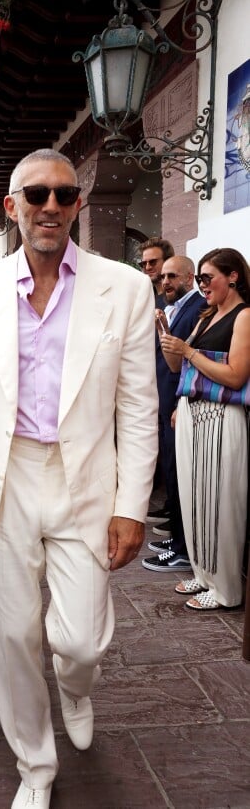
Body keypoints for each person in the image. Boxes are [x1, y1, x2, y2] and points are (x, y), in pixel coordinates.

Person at [0, 150, 158, 809]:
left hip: (85, 478)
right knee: (13, 634)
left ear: (78, 205)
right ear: (13, 206)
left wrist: (133, 507)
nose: (51, 207)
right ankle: (36, 765)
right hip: (7, 476)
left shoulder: (125, 287)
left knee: (77, 641)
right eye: (37, 195)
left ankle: (77, 687)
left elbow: (139, 407)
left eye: (64, 195)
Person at [159, 247, 250, 611]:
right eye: (199, 279)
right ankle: (204, 572)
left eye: (207, 278)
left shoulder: (244, 316)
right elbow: (178, 367)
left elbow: (237, 375)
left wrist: (189, 351)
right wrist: (168, 341)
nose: (202, 286)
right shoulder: (208, 315)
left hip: (222, 415)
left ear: (233, 276)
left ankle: (226, 588)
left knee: (221, 503)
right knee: (194, 500)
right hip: (193, 413)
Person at [141, 256, 206, 573]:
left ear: (190, 278)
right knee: (173, 473)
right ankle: (178, 542)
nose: (164, 281)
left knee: (181, 477)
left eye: (172, 276)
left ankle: (183, 548)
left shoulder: (196, 309)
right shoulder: (173, 308)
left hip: (180, 404)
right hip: (167, 402)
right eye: (162, 276)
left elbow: (183, 362)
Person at [139, 237, 176, 536]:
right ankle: (169, 508)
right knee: (163, 448)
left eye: (154, 262)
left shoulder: (173, 301)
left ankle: (176, 519)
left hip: (171, 384)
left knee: (173, 453)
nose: (149, 268)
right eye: (145, 263)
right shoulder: (150, 297)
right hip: (153, 382)